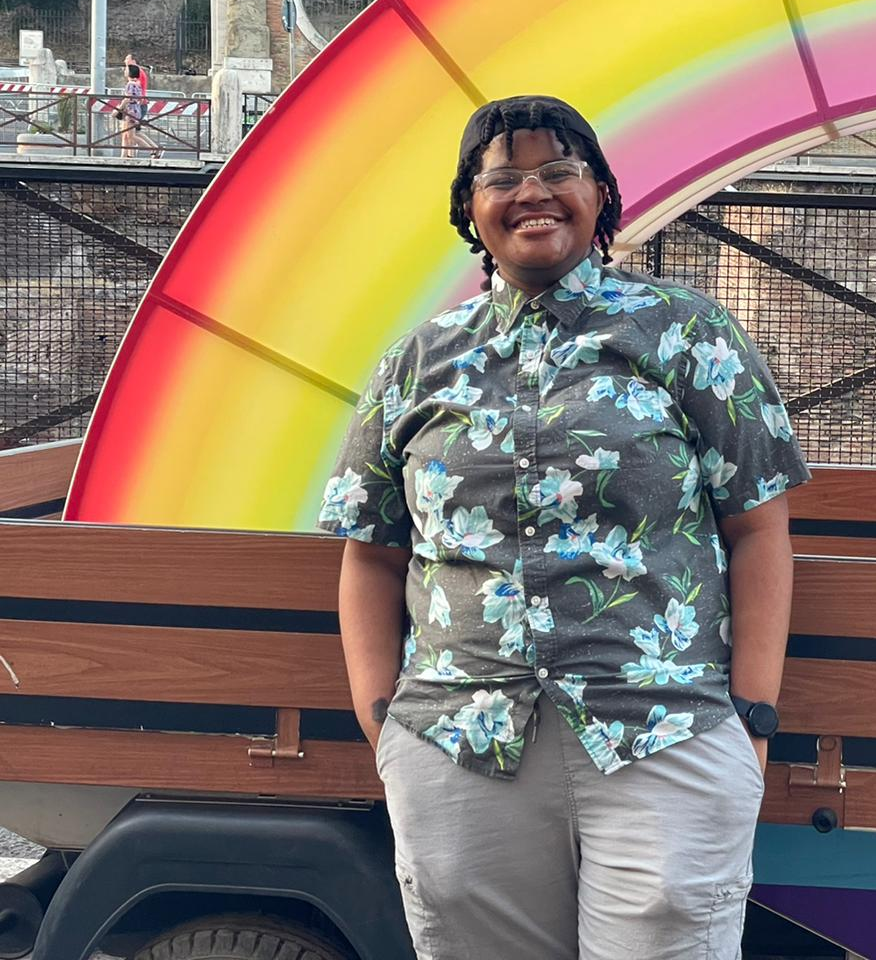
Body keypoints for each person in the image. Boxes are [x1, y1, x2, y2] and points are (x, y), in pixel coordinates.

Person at [322, 95, 809, 960]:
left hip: (662, 730)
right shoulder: (420, 360)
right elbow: (371, 552)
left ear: (601, 195)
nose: (531, 193)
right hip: (458, 740)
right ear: (469, 209)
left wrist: (753, 720)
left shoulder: (686, 334)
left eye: (558, 172)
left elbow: (759, 530)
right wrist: (382, 722)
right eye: (502, 178)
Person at [114, 61, 161, 159]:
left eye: (126, 69)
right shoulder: (137, 84)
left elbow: (128, 98)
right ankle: (125, 155)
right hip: (136, 110)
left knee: (131, 136)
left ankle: (152, 150)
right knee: (128, 135)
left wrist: (120, 108)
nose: (124, 71)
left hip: (130, 111)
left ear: (130, 73)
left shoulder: (130, 84)